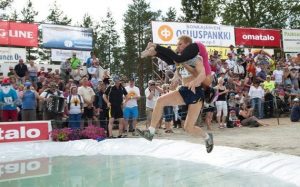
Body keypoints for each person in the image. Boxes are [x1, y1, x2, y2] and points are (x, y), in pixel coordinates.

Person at [137, 35, 214, 153]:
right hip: (184, 90)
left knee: (188, 128)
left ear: (188, 45)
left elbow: (202, 74)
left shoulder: (196, 59)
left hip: (196, 93)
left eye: (180, 44)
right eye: (177, 44)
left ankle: (207, 137)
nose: (177, 46)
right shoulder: (178, 59)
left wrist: (195, 81)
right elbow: (178, 71)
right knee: (160, 101)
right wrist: (174, 78)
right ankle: (151, 132)